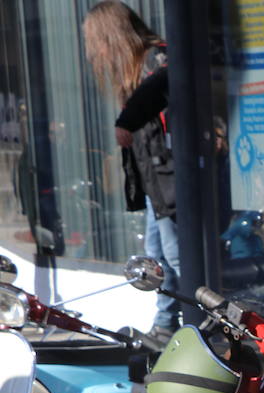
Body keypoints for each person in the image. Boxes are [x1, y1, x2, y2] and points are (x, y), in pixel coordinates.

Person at [82, 1, 179, 335]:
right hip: (158, 181)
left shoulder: (158, 60)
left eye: (98, 43)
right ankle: (166, 322)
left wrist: (129, 119)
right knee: (158, 255)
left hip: (170, 179)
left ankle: (199, 324)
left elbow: (161, 94)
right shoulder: (142, 67)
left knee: (175, 254)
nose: (96, 52)